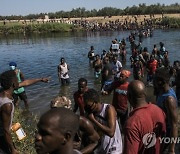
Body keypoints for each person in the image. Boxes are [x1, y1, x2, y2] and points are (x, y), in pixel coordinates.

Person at [0, 70, 49, 154]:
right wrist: (12, 149)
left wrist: (41, 79)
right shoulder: (7, 104)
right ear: (13, 84)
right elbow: (5, 130)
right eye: (16, 80)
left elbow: (26, 83)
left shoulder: (3, 90)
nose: (19, 82)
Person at [123, 80, 166, 154]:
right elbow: (163, 135)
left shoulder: (132, 123)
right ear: (145, 94)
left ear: (129, 96)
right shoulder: (159, 110)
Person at [83, 89, 122, 154]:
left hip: (114, 148)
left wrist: (94, 120)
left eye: (89, 106)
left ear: (95, 102)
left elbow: (111, 132)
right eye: (86, 106)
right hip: (102, 148)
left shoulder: (108, 109)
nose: (87, 108)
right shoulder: (91, 113)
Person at [153, 68, 178, 153]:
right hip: (160, 130)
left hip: (167, 133)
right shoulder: (161, 91)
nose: (154, 82)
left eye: (155, 80)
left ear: (161, 81)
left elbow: (174, 125)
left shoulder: (169, 99)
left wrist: (171, 149)